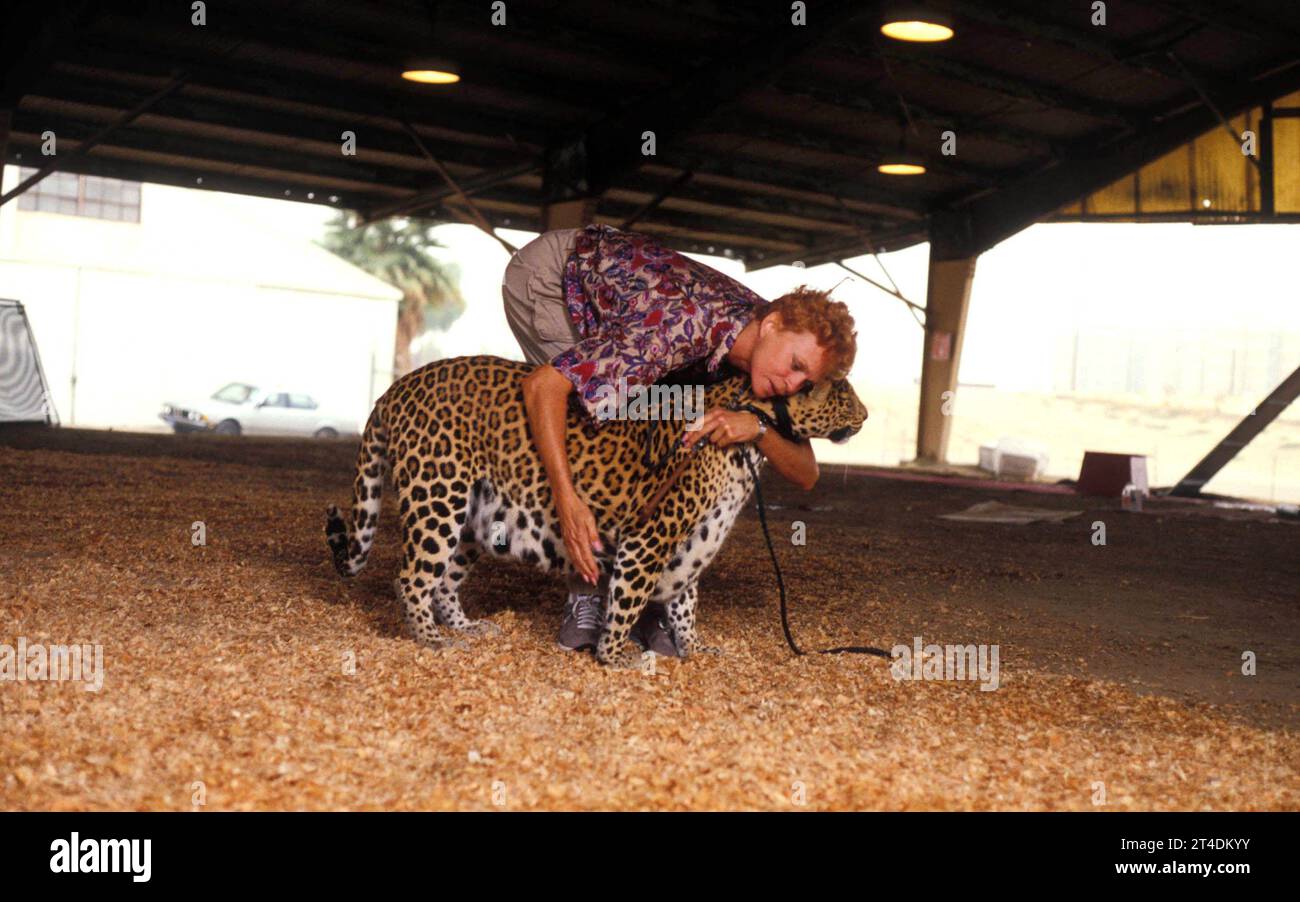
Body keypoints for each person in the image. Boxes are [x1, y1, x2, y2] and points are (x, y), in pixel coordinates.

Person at [501, 223, 856, 656]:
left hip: (644, 308)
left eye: (805, 381)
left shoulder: (766, 350)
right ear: (771, 325)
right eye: (795, 364)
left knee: (662, 413)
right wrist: (567, 500)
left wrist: (758, 428)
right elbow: (543, 387)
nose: (791, 383)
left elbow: (806, 474)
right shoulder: (676, 329)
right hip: (555, 273)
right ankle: (588, 597)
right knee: (597, 419)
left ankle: (641, 591)